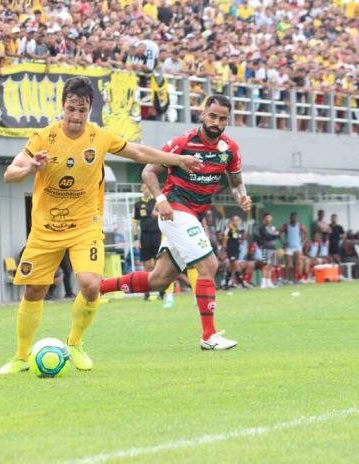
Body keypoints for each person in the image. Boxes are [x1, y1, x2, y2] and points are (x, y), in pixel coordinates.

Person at [0, 76, 202, 374]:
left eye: (82, 110)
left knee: (91, 285)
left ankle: (75, 343)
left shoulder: (100, 137)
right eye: (71, 109)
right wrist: (32, 167)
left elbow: (138, 152)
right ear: (63, 107)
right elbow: (9, 173)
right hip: (45, 228)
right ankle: (19, 356)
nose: (76, 117)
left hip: (85, 225)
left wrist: (177, 160)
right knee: (34, 291)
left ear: (90, 109)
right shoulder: (43, 137)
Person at [100, 95, 251, 351]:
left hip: (193, 216)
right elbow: (148, 171)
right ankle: (209, 336)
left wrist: (242, 196)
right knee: (209, 264)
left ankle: (97, 288)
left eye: (222, 118)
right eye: (212, 116)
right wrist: (160, 199)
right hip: (174, 211)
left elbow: (237, 184)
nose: (216, 122)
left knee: (159, 280)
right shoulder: (182, 143)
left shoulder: (230, 150)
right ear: (203, 114)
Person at [132, 184, 163, 302]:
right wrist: (136, 238)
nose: (146, 190)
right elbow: (134, 222)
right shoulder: (138, 204)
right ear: (141, 189)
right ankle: (146, 293)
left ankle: (161, 291)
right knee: (147, 265)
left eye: (148, 188)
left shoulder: (157, 202)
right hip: (145, 236)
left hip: (157, 235)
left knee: (158, 265)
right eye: (144, 188)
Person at [222, 215, 248, 289]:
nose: (236, 222)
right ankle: (242, 283)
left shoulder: (237, 230)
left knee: (230, 267)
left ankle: (226, 285)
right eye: (235, 220)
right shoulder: (229, 229)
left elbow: (239, 240)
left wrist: (243, 237)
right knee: (236, 266)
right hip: (230, 251)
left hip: (236, 251)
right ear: (232, 221)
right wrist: (224, 250)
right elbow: (225, 239)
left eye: (238, 220)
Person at [281, 212, 307, 283]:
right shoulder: (286, 226)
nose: (294, 218)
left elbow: (305, 233)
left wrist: (302, 242)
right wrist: (283, 243)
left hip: (297, 248)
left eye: (295, 217)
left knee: (296, 263)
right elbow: (279, 233)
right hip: (289, 248)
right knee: (287, 263)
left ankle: (296, 279)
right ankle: (286, 279)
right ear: (290, 218)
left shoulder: (300, 225)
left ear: (297, 218)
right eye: (292, 217)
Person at [259, 213, 281, 289]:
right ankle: (263, 283)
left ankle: (269, 282)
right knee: (265, 265)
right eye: (268, 217)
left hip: (273, 248)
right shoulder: (262, 227)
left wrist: (275, 234)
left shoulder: (272, 227)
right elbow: (267, 236)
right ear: (265, 219)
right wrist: (275, 235)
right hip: (266, 248)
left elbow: (278, 236)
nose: (269, 219)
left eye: (270, 217)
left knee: (270, 266)